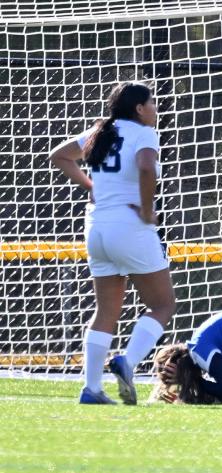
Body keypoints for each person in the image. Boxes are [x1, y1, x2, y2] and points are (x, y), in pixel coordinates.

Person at [49, 81, 175, 405]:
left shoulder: (99, 131)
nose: (156, 109)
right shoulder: (143, 133)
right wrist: (148, 211)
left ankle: (91, 389)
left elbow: (59, 156)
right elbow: (147, 167)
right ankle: (127, 362)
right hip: (129, 224)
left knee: (105, 310)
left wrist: (91, 184)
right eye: (153, 103)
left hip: (96, 226)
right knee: (163, 305)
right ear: (139, 109)